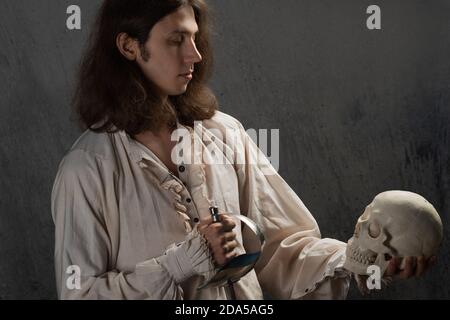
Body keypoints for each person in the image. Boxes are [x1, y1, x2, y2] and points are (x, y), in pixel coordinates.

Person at [51, 0, 435, 300]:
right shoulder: (86, 171)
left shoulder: (226, 134)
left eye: (194, 37)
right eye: (175, 40)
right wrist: (179, 263)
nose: (194, 55)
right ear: (128, 45)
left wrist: (355, 259)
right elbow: (79, 291)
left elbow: (282, 248)